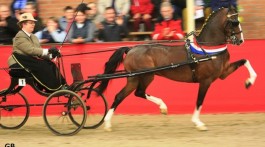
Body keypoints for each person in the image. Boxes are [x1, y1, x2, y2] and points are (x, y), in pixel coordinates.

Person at [8, 13, 65, 91]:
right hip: (19, 62)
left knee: (51, 64)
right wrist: (48, 50)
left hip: (29, 60)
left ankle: (62, 85)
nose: (33, 24)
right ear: (24, 24)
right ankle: (52, 87)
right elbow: (31, 50)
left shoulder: (34, 37)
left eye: (33, 23)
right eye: (31, 23)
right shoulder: (19, 36)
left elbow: (39, 53)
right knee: (44, 66)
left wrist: (51, 55)